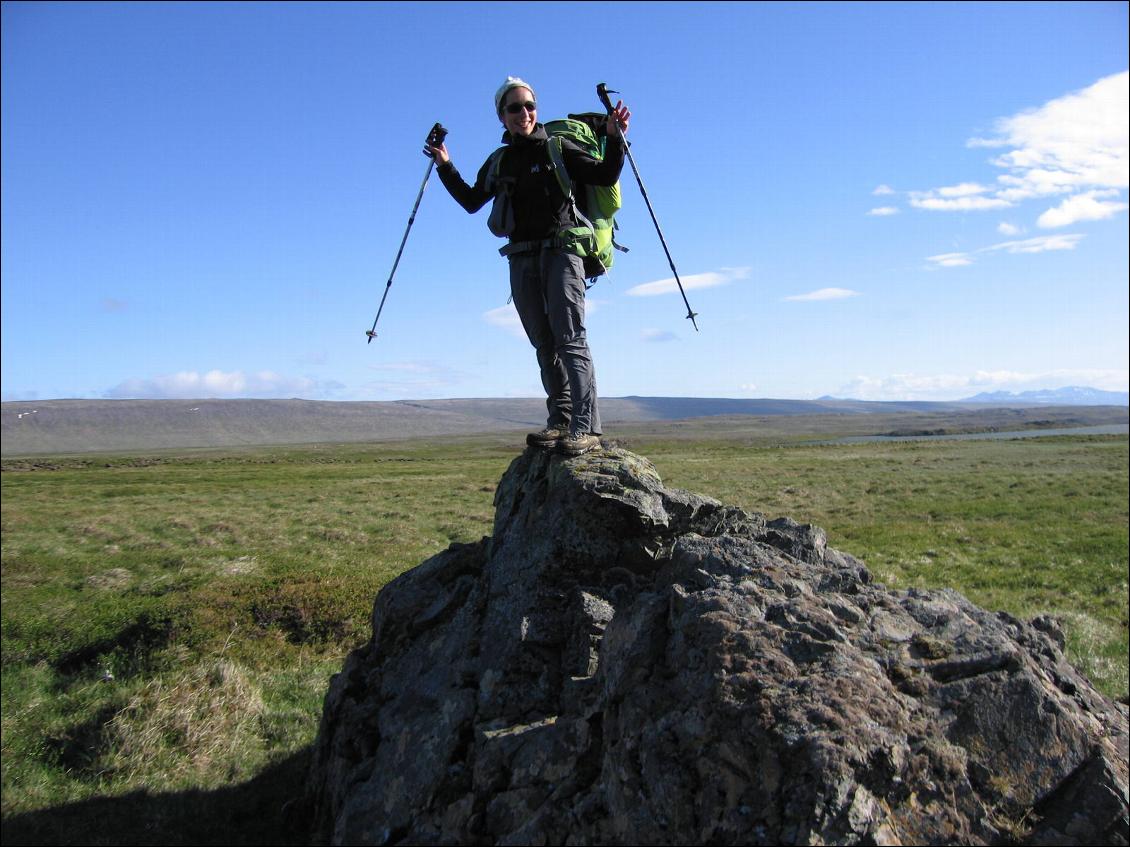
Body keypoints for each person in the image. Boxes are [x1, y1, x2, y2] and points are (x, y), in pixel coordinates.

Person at [425, 77, 631, 456]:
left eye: (530, 106)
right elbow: (473, 201)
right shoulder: (500, 160)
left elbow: (604, 175)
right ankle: (560, 420)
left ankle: (586, 428)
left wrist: (616, 137)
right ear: (501, 116)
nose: (524, 113)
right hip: (520, 257)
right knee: (543, 341)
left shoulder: (557, 147)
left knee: (570, 338)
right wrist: (445, 165)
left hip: (562, 252)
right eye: (515, 108)